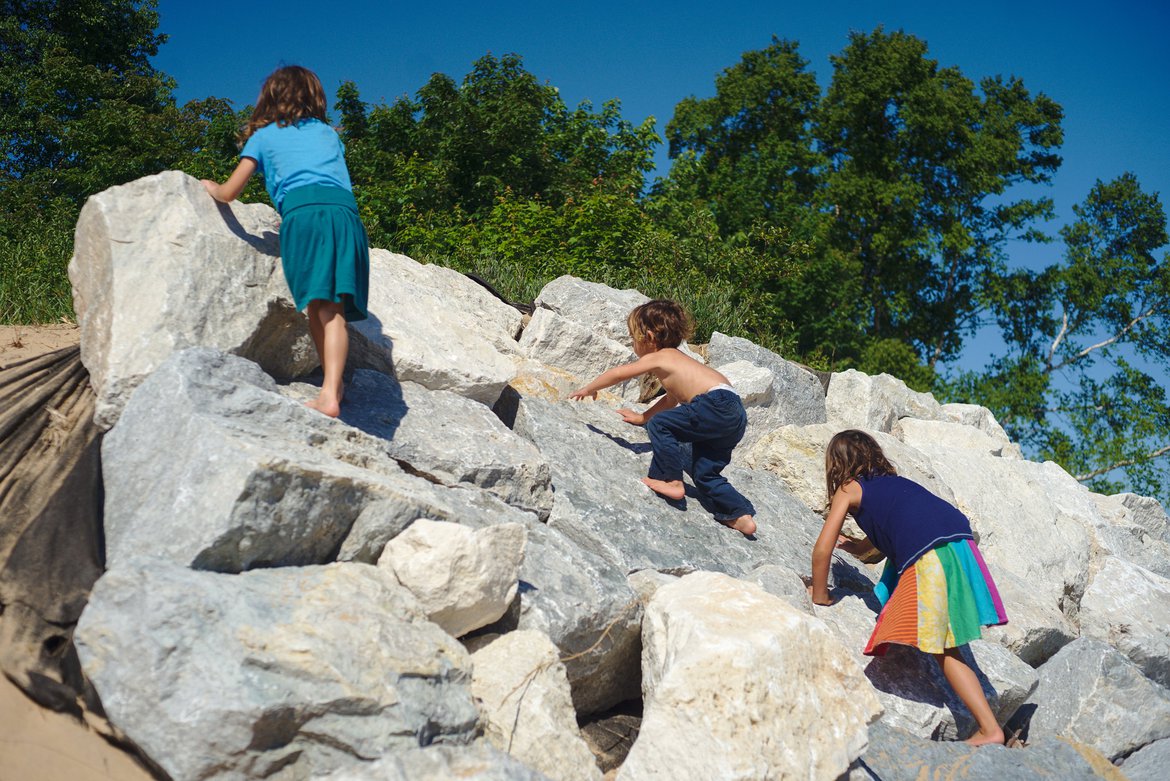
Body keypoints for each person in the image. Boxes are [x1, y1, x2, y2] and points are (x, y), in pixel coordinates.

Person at [809, 429, 1009, 746]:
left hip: (931, 552)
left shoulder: (848, 488)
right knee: (943, 635)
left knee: (943, 645)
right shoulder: (893, 487)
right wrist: (854, 548)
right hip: (959, 544)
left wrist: (820, 596)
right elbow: (879, 546)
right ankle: (990, 726)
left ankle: (989, 729)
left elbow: (822, 550)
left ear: (836, 466)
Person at [201, 65, 369, 418]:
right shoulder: (327, 133)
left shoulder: (262, 138)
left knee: (316, 305)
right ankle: (333, 386)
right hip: (345, 216)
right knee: (332, 308)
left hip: (303, 216)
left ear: (270, 98)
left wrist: (210, 187)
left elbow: (231, 191)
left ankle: (329, 395)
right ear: (314, 98)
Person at [568, 300, 757, 536]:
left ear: (648, 337)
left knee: (661, 424)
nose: (632, 343)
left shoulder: (659, 357)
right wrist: (642, 417)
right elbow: (671, 400)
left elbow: (618, 373)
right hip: (734, 413)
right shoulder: (679, 360)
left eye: (632, 337)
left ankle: (671, 480)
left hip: (713, 403)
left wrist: (589, 388)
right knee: (705, 473)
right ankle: (740, 515)